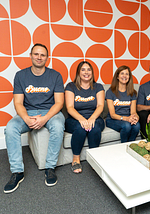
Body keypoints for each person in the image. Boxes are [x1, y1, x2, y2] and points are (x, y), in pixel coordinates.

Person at [4, 43, 65, 193]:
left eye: (42, 55)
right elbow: (18, 102)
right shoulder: (20, 75)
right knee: (11, 128)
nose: (39, 57)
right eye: (36, 54)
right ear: (30, 56)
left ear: (47, 58)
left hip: (50, 112)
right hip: (28, 111)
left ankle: (50, 168)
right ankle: (17, 172)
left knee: (58, 125)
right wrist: (26, 118)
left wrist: (45, 118)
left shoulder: (55, 75)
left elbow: (59, 102)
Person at [65, 61, 105, 173]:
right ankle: (76, 158)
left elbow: (100, 106)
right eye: (83, 69)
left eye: (89, 69)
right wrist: (82, 119)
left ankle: (94, 157)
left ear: (92, 72)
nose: (86, 72)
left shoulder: (98, 87)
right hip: (75, 119)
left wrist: (92, 118)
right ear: (78, 72)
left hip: (95, 117)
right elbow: (70, 107)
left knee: (95, 127)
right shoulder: (70, 86)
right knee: (80, 128)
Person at [105, 66, 140, 143]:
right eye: (122, 73)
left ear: (129, 77)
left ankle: (130, 146)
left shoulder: (132, 93)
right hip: (113, 119)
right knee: (126, 126)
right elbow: (112, 114)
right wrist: (127, 119)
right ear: (117, 76)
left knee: (137, 126)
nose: (124, 76)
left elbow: (133, 112)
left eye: (127, 74)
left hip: (128, 119)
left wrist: (135, 118)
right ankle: (123, 147)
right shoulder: (110, 92)